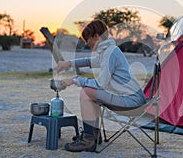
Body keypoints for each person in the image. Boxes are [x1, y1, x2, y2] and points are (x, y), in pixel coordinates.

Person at [56, 19, 146, 152]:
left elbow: (100, 84)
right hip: (129, 97)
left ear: (96, 36)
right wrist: (68, 63)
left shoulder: (109, 52)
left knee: (86, 92)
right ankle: (93, 135)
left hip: (131, 101)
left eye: (87, 39)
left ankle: (88, 140)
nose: (86, 43)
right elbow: (89, 61)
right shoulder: (108, 50)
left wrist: (74, 80)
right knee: (91, 94)